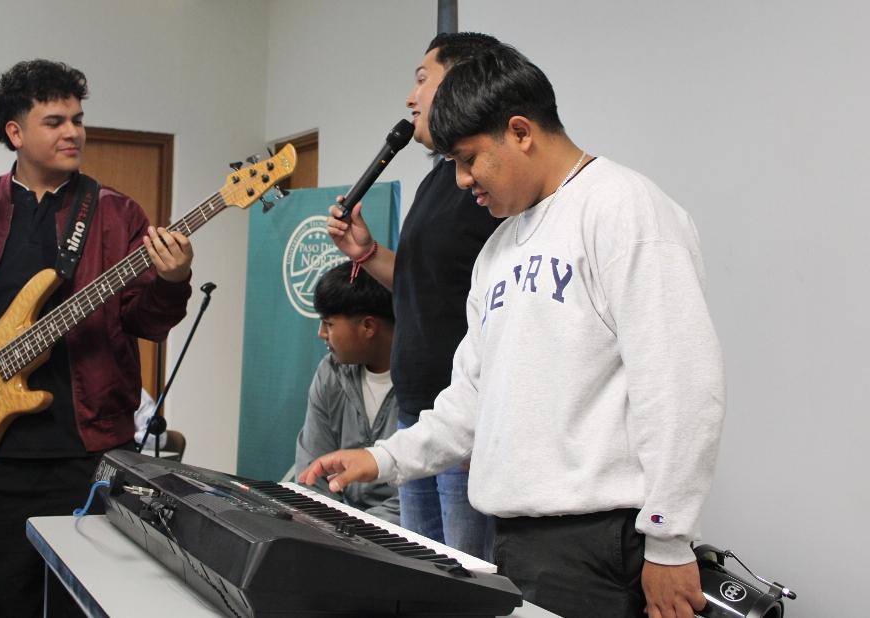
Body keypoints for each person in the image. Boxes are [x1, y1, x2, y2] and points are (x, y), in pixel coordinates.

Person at [302, 42, 725, 618]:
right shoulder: (497, 249)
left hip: (600, 541)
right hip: (517, 540)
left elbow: (679, 384)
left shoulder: (623, 208)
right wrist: (382, 459)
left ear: (520, 132)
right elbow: (471, 402)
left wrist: (669, 540)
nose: (460, 180)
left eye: (469, 158)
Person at [0, 59, 193, 617]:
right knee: (7, 602)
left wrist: (173, 280)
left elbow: (147, 322)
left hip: (89, 451)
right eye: (54, 121)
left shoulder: (117, 213)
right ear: (15, 132)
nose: (73, 132)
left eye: (77, 119)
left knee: (84, 607)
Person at [325, 32, 502, 559]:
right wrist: (366, 252)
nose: (410, 97)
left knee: (465, 579)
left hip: (462, 419)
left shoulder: (490, 183)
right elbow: (420, 281)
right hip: (417, 412)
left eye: (423, 79)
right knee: (421, 573)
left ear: (463, 81)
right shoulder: (437, 180)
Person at [294, 263, 400, 523]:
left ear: (368, 326)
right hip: (340, 529)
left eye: (329, 323)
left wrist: (354, 529)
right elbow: (312, 476)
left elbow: (419, 498)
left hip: (405, 534)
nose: (321, 333)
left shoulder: (424, 380)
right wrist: (332, 529)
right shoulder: (330, 372)